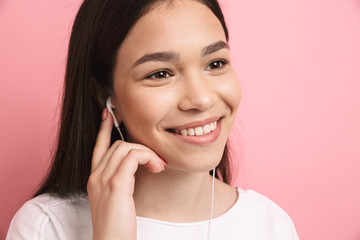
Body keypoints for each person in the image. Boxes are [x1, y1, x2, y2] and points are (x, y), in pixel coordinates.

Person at [6, 0, 299, 239]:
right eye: (160, 74)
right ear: (106, 97)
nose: (202, 100)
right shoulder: (45, 227)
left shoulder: (269, 224)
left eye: (215, 63)